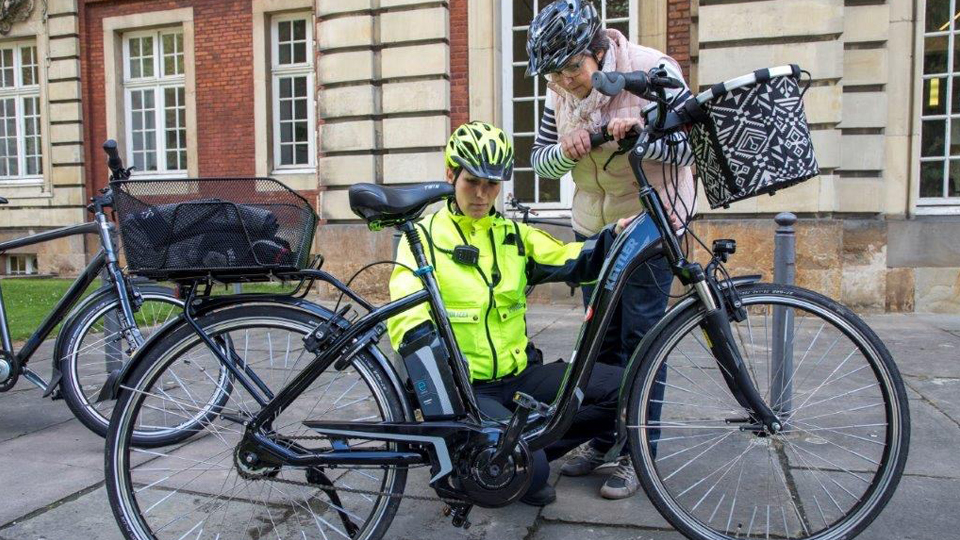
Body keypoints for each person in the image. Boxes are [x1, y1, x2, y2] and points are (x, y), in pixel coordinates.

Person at [387, 121, 637, 504]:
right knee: (533, 479)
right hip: (469, 393)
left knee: (625, 386)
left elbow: (572, 258)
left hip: (520, 379)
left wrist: (613, 237)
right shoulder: (422, 239)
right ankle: (510, 459)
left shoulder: (512, 235)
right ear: (450, 174)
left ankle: (520, 451)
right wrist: (438, 395)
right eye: (473, 181)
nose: (482, 194)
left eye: (492, 185)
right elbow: (405, 313)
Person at [525, 0, 696, 497]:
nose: (565, 82)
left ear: (598, 50)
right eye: (553, 74)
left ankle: (638, 452)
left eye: (572, 68)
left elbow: (689, 145)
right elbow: (540, 163)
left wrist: (642, 137)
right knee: (600, 341)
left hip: (651, 221)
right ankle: (602, 438)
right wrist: (567, 150)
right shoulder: (558, 94)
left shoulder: (653, 68)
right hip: (595, 229)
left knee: (642, 338)